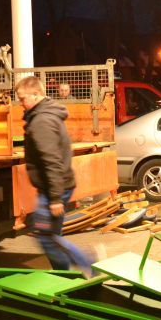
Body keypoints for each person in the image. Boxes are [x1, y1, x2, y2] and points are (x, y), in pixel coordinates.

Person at [15, 75, 94, 274]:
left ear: (36, 94)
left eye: (22, 98)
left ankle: (85, 262)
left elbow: (51, 160)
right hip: (57, 186)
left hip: (53, 190)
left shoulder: (41, 121)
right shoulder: (46, 115)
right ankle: (65, 275)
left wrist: (55, 197)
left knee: (45, 236)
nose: (20, 103)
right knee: (52, 235)